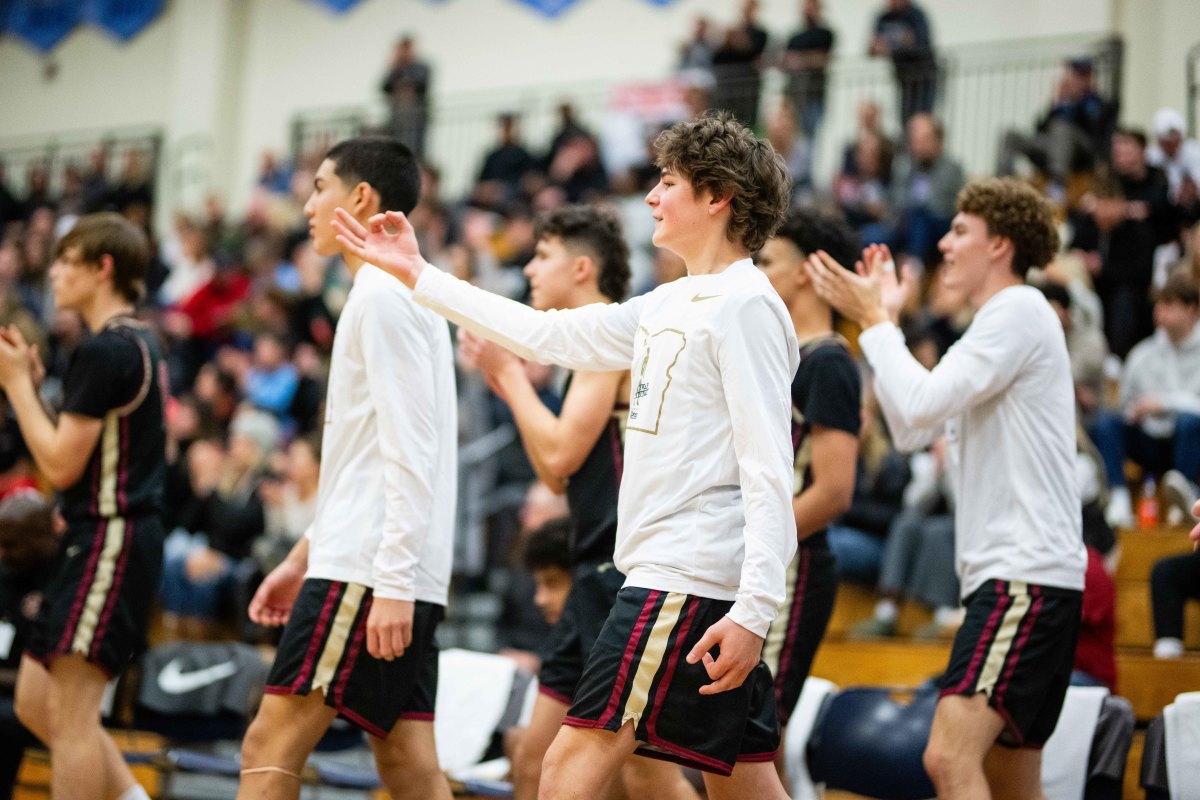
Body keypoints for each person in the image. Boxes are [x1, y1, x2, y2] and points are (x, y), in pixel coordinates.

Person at [336, 110, 797, 800]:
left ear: (717, 195)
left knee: (562, 770)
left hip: (686, 579)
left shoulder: (746, 307)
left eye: (667, 182)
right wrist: (419, 274)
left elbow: (769, 470)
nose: (650, 196)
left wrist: (755, 608)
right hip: (677, 576)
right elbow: (543, 334)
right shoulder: (669, 302)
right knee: (745, 785)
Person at [807, 178, 1087, 799]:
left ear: (1001, 246)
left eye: (961, 231)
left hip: (1024, 577)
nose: (944, 243)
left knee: (947, 756)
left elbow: (921, 401)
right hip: (1028, 577)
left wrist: (877, 321)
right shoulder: (1002, 324)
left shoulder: (1017, 309)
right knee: (1009, 780)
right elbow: (911, 427)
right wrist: (888, 322)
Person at [236, 137, 458, 800]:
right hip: (384, 564)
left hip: (369, 570)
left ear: (361, 198)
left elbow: (410, 452)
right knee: (408, 764)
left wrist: (389, 582)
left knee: (268, 744)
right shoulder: (393, 292)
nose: (307, 206)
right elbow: (366, 458)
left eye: (320, 188)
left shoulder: (382, 296)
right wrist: (304, 553)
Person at [458, 205, 697, 800]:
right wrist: (508, 379)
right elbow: (558, 475)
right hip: (589, 567)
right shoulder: (583, 352)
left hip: (623, 571)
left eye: (543, 256)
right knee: (533, 754)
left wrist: (508, 377)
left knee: (643, 766)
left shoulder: (609, 337)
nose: (530, 269)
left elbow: (559, 456)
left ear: (582, 267)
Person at [2, 213, 166, 800]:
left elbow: (59, 467)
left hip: (110, 538)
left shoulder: (105, 350)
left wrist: (17, 386)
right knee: (33, 701)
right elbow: (79, 457)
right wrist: (36, 389)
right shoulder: (136, 340)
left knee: (71, 716)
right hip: (99, 536)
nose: (53, 271)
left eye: (67, 259)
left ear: (103, 269)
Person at [754, 209, 860, 781]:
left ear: (808, 273)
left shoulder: (830, 363)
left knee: (757, 732)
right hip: (765, 560)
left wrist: (759, 540)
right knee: (737, 737)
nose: (755, 272)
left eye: (767, 261)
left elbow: (835, 491)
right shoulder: (782, 357)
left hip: (795, 566)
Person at [1088, 272, 1200, 528]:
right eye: (1158, 305)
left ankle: (1183, 494)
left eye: (1169, 305)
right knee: (1106, 422)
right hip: (1150, 440)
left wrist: (1165, 402)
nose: (1160, 312)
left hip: (1191, 444)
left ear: (1192, 308)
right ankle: (1118, 497)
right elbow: (1124, 405)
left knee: (1189, 422)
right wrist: (1135, 412)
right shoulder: (1142, 354)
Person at [0, 492, 60, 800]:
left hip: (45, 701)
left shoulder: (63, 582)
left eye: (14, 544)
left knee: (6, 720)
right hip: (9, 687)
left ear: (42, 537)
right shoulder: (5, 575)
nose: (5, 553)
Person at [869, 0, 938, 128]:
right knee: (905, 119)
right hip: (904, 78)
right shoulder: (884, 18)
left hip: (924, 77)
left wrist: (892, 47)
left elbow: (921, 44)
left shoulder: (916, 15)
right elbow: (873, 48)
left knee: (922, 118)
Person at [782, 0, 836, 144]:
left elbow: (823, 59)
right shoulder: (795, 36)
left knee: (809, 139)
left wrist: (800, 60)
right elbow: (786, 60)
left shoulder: (825, 34)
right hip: (795, 95)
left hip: (814, 96)